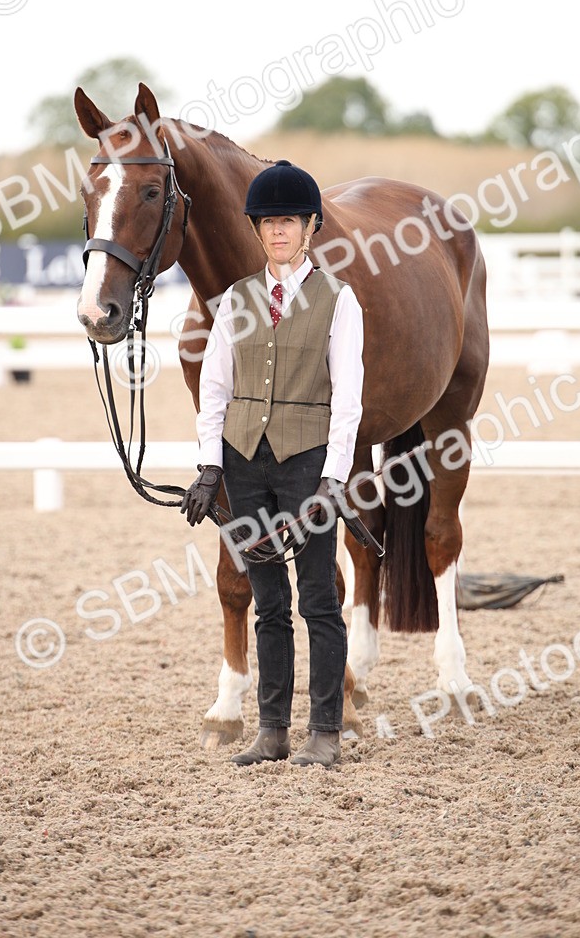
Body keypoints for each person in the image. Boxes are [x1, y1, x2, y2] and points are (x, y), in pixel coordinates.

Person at [181, 159, 364, 768]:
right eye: (267, 222)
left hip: (306, 463)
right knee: (267, 602)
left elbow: (348, 400)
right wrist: (210, 467)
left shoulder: (339, 302)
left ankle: (327, 730)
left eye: (288, 221)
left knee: (317, 597)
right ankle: (273, 731)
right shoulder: (235, 300)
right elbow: (215, 389)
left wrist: (335, 477)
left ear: (311, 227)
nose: (278, 231)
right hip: (243, 463)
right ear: (256, 230)